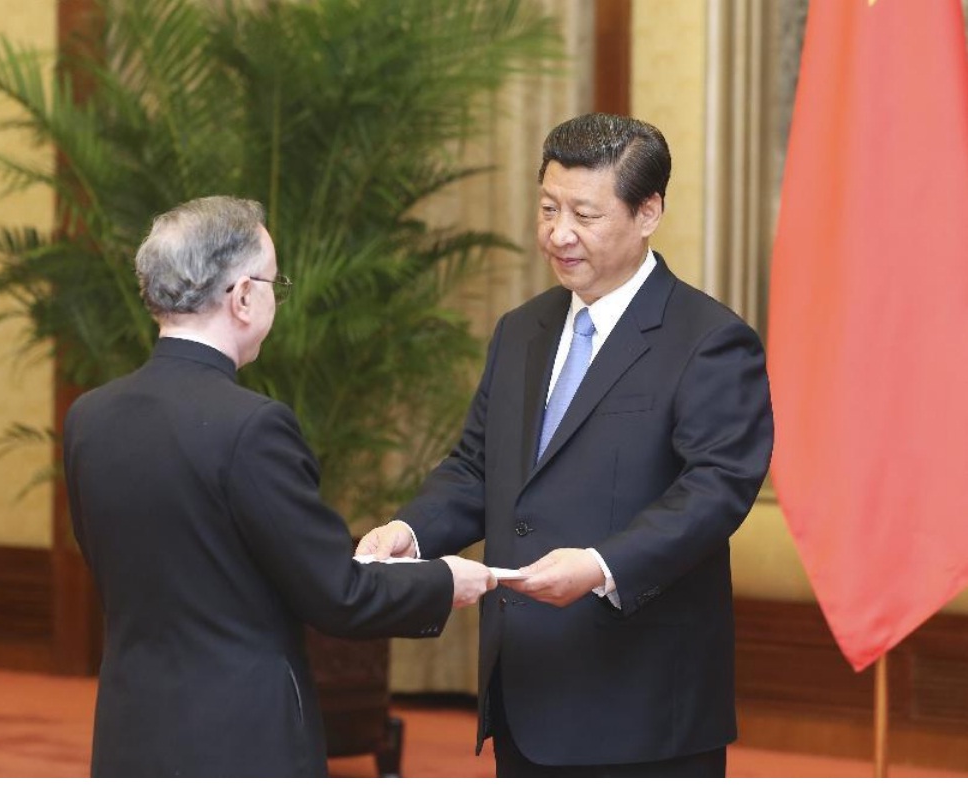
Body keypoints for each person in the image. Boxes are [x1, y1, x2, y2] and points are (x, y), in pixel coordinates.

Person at [357, 113, 774, 777]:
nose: (557, 234)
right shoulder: (522, 329)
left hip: (636, 696)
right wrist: (412, 531)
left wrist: (602, 565)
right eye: (547, 207)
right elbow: (476, 466)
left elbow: (715, 490)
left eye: (583, 213)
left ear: (648, 212)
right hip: (523, 680)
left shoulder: (707, 338)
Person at [62, 195, 497, 777]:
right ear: (242, 297)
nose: (277, 296)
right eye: (275, 282)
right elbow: (336, 595)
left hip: (130, 725)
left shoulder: (90, 416)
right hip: (242, 734)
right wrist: (445, 581)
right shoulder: (253, 426)